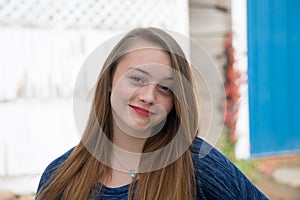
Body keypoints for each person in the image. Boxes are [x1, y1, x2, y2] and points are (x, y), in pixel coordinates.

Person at [36, 27, 268, 200]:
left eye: (165, 88)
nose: (148, 96)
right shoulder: (59, 176)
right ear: (109, 80)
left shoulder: (198, 166)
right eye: (137, 78)